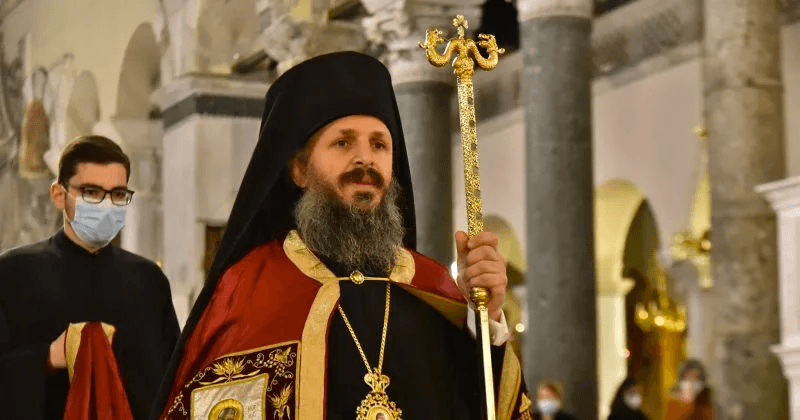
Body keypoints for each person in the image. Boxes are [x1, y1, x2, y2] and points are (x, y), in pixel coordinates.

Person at [152, 51, 531, 420]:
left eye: (379, 144)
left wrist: (486, 318)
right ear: (299, 170)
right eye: (343, 142)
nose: (365, 159)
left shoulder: (432, 288)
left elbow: (483, 405)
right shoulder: (247, 290)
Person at [0, 135, 180, 419]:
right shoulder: (12, 273)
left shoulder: (149, 281)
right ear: (59, 195)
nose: (106, 204)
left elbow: (174, 380)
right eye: (92, 192)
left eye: (118, 194)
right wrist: (47, 357)